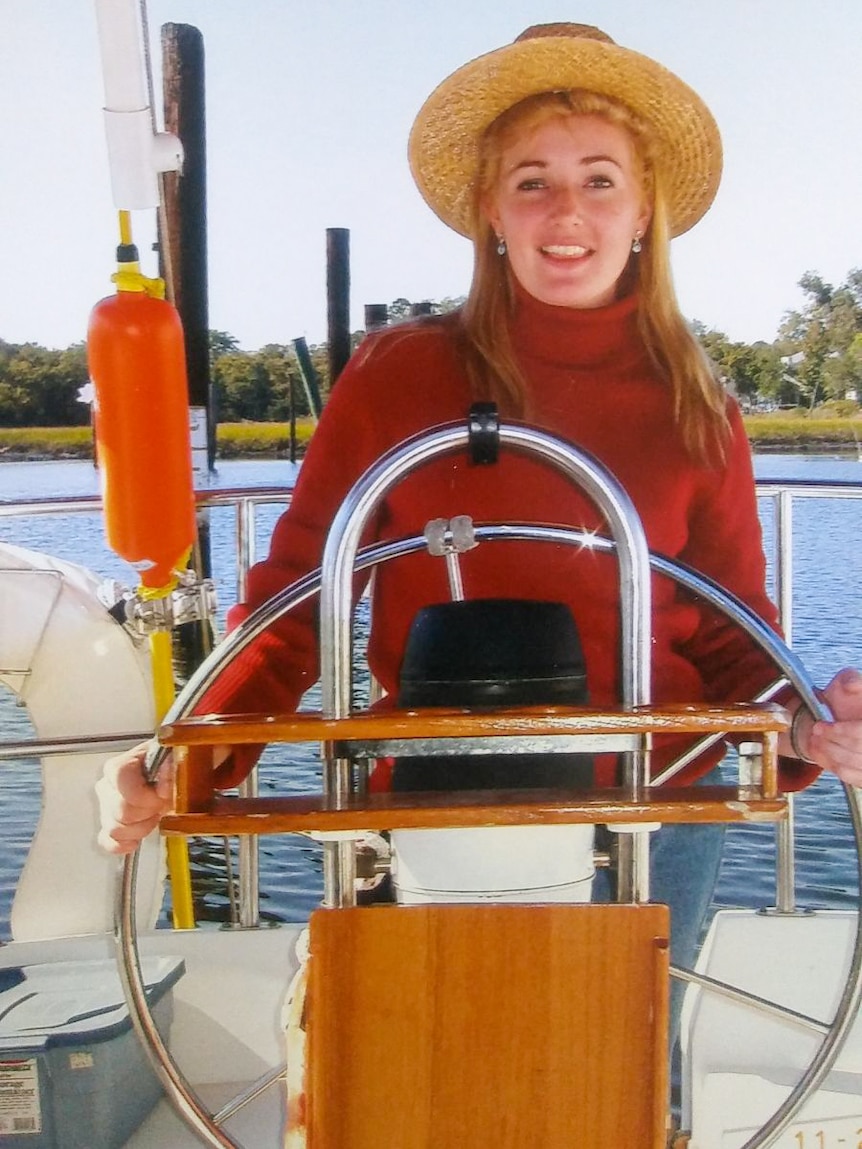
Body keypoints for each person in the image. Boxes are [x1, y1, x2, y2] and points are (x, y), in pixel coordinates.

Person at [97, 18, 862, 1015]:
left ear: (643, 214)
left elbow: (728, 635)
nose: (565, 212)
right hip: (437, 791)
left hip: (660, 797)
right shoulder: (398, 373)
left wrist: (805, 726)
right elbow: (295, 597)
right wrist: (189, 757)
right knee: (423, 1059)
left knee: (620, 1074)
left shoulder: (695, 399)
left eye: (598, 179)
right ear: (490, 214)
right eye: (530, 181)